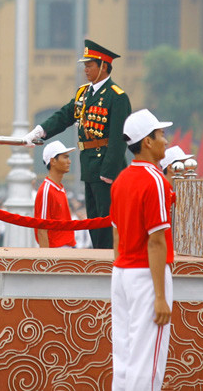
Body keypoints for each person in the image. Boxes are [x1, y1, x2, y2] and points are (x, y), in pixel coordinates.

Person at [24, 39, 132, 249]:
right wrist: (40, 131)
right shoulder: (84, 93)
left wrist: (109, 172)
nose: (85, 69)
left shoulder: (116, 96)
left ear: (103, 66)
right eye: (85, 65)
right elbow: (64, 116)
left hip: (106, 167)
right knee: (93, 219)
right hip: (89, 164)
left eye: (89, 65)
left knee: (106, 219)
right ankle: (99, 256)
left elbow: (119, 138)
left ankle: (108, 259)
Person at [110, 109, 175, 391]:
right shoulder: (155, 179)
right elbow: (156, 240)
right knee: (147, 361)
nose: (165, 140)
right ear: (147, 142)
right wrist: (160, 296)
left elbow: (116, 233)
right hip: (146, 275)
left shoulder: (121, 179)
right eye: (160, 135)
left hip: (122, 273)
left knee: (124, 357)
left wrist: (121, 269)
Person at [34, 140, 77, 249]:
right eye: (65, 157)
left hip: (67, 248)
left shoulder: (59, 188)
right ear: (53, 161)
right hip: (56, 251)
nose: (69, 161)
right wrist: (46, 258)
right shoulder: (46, 190)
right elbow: (42, 229)